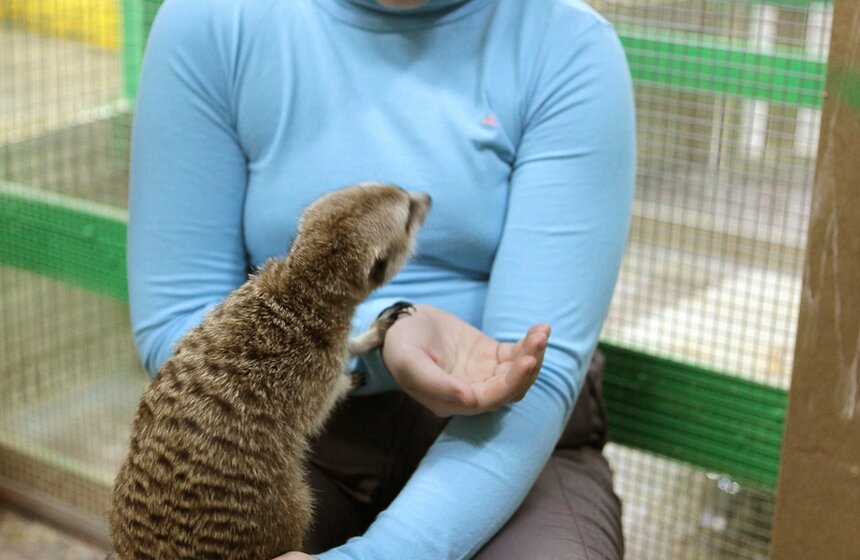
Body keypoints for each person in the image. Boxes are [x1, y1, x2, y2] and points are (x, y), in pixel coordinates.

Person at [126, 0, 636, 558]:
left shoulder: (567, 43)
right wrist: (378, 339)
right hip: (276, 432)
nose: (426, 203)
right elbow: (176, 332)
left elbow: (536, 370)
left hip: (512, 435)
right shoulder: (213, 20)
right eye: (414, 219)